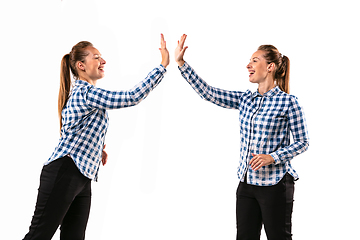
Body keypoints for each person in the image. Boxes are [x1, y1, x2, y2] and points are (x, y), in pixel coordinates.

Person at [23, 34, 169, 240]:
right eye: (96, 57)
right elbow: (131, 97)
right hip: (64, 171)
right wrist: (162, 66)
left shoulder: (87, 94)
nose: (103, 61)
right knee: (38, 236)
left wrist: (97, 149)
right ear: (81, 66)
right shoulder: (86, 93)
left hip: (82, 177)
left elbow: (77, 130)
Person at [174, 34, 309, 240]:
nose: (248, 65)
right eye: (249, 61)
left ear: (270, 67)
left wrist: (273, 156)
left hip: (276, 184)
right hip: (246, 183)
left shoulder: (289, 102)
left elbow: (302, 142)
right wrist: (182, 64)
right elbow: (209, 93)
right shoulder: (245, 99)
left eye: (255, 60)